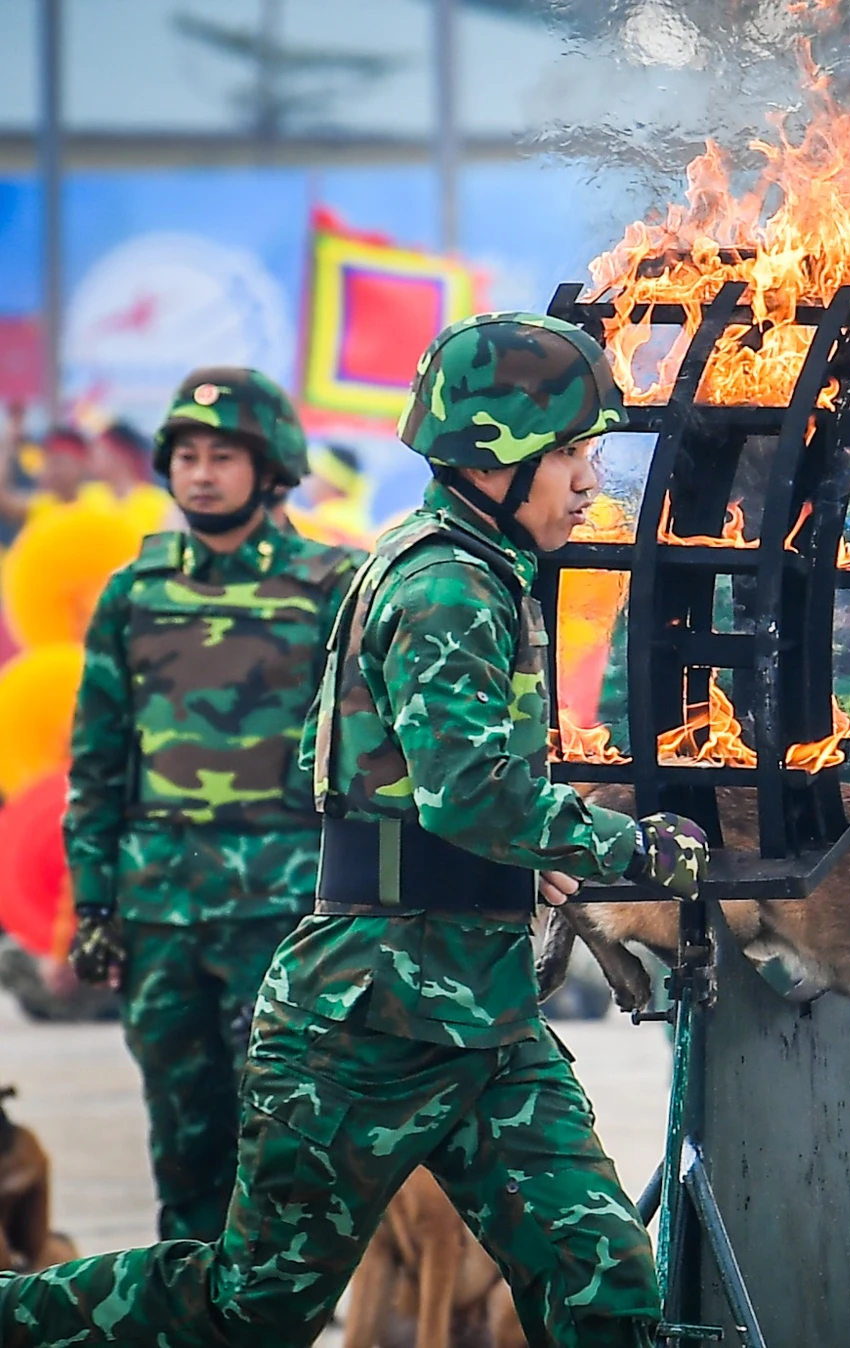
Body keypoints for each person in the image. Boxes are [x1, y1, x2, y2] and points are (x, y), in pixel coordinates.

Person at [0, 313, 708, 1347]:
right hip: (367, 1019)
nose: (589, 480)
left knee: (604, 1287)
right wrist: (630, 850)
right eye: (570, 453)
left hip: (480, 1014)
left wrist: (509, 868)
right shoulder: (445, 587)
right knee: (254, 1306)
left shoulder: (465, 567)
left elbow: (381, 782)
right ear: (497, 455)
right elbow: (472, 792)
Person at [61, 368, 360, 1242]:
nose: (199, 473)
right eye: (185, 455)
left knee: (286, 1131)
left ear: (269, 468)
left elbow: (358, 756)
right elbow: (99, 756)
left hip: (286, 906)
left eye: (222, 455)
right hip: (159, 906)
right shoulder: (135, 592)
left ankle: (275, 1307)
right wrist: (93, 901)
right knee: (182, 1128)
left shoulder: (328, 585)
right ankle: (189, 1302)